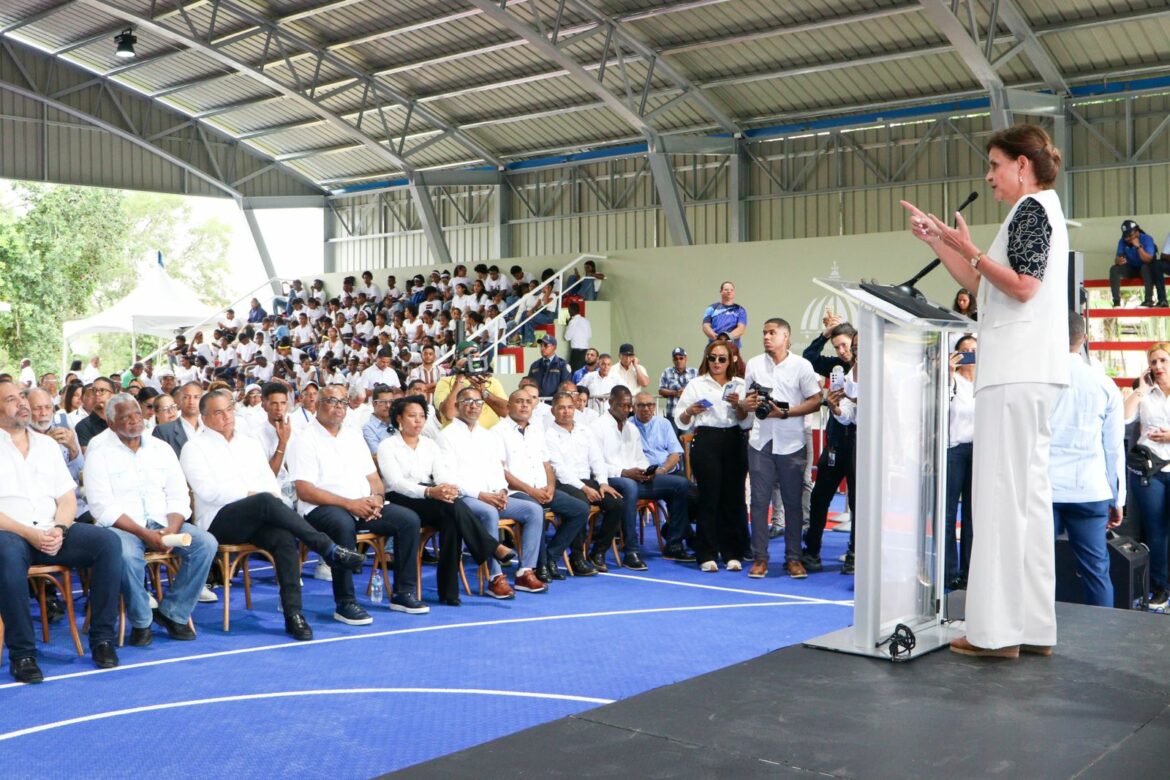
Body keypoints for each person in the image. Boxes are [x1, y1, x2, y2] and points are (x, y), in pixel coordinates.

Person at [902, 123, 1070, 658]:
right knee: (1027, 501)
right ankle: (1033, 627)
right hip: (1032, 371)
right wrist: (943, 243)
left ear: (1022, 165)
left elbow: (1020, 286)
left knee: (999, 500)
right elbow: (984, 289)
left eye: (995, 164)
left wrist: (969, 251)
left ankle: (994, 633)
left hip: (1014, 371)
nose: (989, 175)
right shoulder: (1041, 212)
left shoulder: (1032, 212)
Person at [180, 389, 365, 640]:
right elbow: (209, 492)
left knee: (283, 538)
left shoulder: (249, 444)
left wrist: (259, 497)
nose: (226, 416)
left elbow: (271, 484)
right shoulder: (194, 448)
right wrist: (252, 495)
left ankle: (293, 614)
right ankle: (328, 548)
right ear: (204, 417)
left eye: (229, 409)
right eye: (218, 412)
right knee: (264, 500)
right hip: (218, 521)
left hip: (258, 516)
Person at [0, 380, 122, 681]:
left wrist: (60, 527)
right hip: (11, 532)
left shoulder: (46, 445)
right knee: (6, 553)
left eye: (22, 398)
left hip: (52, 529)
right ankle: (23, 654)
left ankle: (102, 638)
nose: (23, 404)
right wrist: (29, 533)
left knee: (107, 542)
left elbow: (67, 498)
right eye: (12, 399)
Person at [83, 393, 217, 646]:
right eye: (126, 418)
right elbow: (101, 507)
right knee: (124, 555)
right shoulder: (99, 451)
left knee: (205, 543)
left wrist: (171, 529)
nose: (135, 421)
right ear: (111, 424)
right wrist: (144, 534)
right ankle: (142, 620)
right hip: (123, 528)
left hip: (163, 523)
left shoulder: (160, 448)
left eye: (137, 414)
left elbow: (179, 495)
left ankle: (173, 613)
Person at [286, 383, 428, 620]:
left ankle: (404, 593)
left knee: (408, 520)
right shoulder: (304, 439)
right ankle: (345, 602)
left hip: (363, 505)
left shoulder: (353, 436)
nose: (338, 407)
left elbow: (374, 479)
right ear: (318, 405)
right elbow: (305, 490)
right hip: (322, 508)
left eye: (343, 402)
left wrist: (378, 500)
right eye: (332, 401)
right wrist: (350, 504)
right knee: (343, 525)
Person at [378, 395, 516, 606]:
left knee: (453, 516)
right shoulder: (388, 445)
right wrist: (431, 492)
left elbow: (441, 474)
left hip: (431, 494)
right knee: (453, 506)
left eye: (422, 417)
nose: (418, 421)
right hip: (400, 497)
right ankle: (492, 546)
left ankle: (448, 592)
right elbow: (396, 483)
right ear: (399, 419)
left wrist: (446, 488)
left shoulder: (430, 445)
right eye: (412, 416)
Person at [438, 386, 545, 596]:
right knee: (489, 512)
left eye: (478, 402)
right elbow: (447, 479)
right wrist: (481, 495)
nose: (473, 406)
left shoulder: (487, 436)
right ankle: (495, 577)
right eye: (468, 402)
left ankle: (525, 571)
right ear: (458, 406)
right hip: (467, 497)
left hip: (493, 495)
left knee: (533, 510)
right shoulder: (446, 436)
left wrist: (502, 491)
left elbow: (498, 470)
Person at [739, 318, 823, 579]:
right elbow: (744, 403)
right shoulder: (753, 364)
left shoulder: (802, 365)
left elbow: (816, 401)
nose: (766, 337)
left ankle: (793, 558)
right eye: (764, 332)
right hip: (760, 441)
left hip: (792, 442)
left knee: (793, 503)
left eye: (772, 333)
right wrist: (747, 404)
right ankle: (760, 558)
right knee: (759, 502)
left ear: (786, 336)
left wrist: (785, 412)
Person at [1051, 312, 1124, 608]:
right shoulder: (1104, 384)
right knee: (1096, 571)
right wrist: (1118, 498)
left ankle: (1036, 635)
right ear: (1083, 339)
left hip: (1045, 487)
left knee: (1037, 570)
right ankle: (1101, 641)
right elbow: (1113, 447)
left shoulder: (1038, 381)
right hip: (1091, 489)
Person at [496, 390, 590, 581]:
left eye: (528, 402)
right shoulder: (497, 432)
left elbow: (547, 464)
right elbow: (501, 471)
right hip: (516, 492)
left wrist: (551, 487)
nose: (524, 405)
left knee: (580, 509)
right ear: (508, 406)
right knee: (535, 510)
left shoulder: (537, 431)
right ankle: (539, 566)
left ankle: (551, 558)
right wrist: (531, 491)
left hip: (543, 489)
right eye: (519, 402)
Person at [674, 341, 750, 571]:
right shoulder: (696, 384)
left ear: (731, 361)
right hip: (706, 440)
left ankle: (732, 552)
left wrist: (739, 406)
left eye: (722, 359)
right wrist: (690, 411)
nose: (716, 363)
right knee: (709, 497)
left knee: (734, 497)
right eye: (712, 358)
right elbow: (680, 419)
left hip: (734, 440)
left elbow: (747, 421)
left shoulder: (740, 384)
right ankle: (706, 553)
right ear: (706, 359)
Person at [1123, 342, 1170, 609]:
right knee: (1156, 532)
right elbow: (1123, 419)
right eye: (1153, 362)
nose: (1158, 367)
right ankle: (1160, 588)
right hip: (1150, 471)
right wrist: (1140, 390)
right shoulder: (1145, 394)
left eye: (1163, 360)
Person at [590, 385, 657, 571]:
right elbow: (596, 463)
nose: (627, 410)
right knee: (629, 487)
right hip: (609, 479)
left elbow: (640, 458)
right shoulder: (597, 427)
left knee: (680, 485)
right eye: (622, 406)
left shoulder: (632, 429)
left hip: (634, 478)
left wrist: (645, 471)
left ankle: (677, 542)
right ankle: (631, 551)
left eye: (629, 406)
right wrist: (624, 472)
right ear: (610, 403)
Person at [631, 391, 694, 561]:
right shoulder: (628, 426)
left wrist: (664, 470)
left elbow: (675, 454)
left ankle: (673, 531)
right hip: (644, 477)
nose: (646, 409)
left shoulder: (664, 423)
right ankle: (677, 543)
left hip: (667, 472)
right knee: (681, 487)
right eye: (641, 405)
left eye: (650, 405)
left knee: (697, 496)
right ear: (634, 407)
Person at [941, 334, 977, 589]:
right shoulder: (951, 381)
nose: (970, 355)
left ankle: (969, 570)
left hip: (980, 450)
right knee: (949, 511)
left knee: (973, 514)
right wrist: (947, 374)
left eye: (974, 350)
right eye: (964, 351)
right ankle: (949, 571)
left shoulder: (987, 381)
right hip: (954, 449)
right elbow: (939, 408)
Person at [1109, 219, 1163, 307]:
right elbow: (1118, 258)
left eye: (1130, 235)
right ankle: (1116, 302)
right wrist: (1118, 261)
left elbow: (1148, 260)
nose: (1128, 238)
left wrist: (1138, 246)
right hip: (1132, 269)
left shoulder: (1146, 239)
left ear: (1137, 231)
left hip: (1147, 270)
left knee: (1145, 268)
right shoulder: (1123, 241)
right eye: (1126, 236)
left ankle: (1148, 300)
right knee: (1114, 269)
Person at [152, 381, 203, 457]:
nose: (191, 402)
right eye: (186, 397)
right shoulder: (163, 431)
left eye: (196, 397)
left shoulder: (210, 427)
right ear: (179, 401)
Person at [658, 347, 697, 436]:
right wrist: (675, 393)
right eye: (676, 359)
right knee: (672, 443)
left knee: (687, 443)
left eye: (681, 358)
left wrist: (686, 392)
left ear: (686, 359)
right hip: (672, 414)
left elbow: (700, 390)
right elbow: (661, 390)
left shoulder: (694, 372)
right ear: (673, 360)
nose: (678, 361)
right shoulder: (667, 371)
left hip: (688, 414)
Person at [702, 282, 748, 347]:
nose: (729, 291)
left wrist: (727, 338)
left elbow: (741, 328)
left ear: (734, 293)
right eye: (726, 290)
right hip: (714, 346)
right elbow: (705, 326)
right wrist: (717, 338)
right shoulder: (711, 308)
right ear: (721, 292)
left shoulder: (740, 309)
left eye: (731, 290)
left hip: (733, 347)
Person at [527, 335, 572, 400]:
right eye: (541, 345)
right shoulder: (534, 365)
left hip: (554, 403)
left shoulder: (563, 365)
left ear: (554, 347)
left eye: (545, 345)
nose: (542, 348)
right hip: (537, 403)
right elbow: (529, 385)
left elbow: (566, 387)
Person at [75, 376, 116, 449]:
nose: (97, 394)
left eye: (102, 390)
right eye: (93, 390)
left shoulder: (121, 421)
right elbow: (88, 455)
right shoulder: (83, 426)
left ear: (113, 395)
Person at [563, 302, 591, 372]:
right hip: (586, 351)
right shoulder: (586, 321)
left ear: (571, 311)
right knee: (584, 372)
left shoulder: (572, 322)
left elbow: (567, 337)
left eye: (569, 311)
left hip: (576, 352)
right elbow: (589, 336)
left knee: (574, 372)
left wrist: (567, 325)